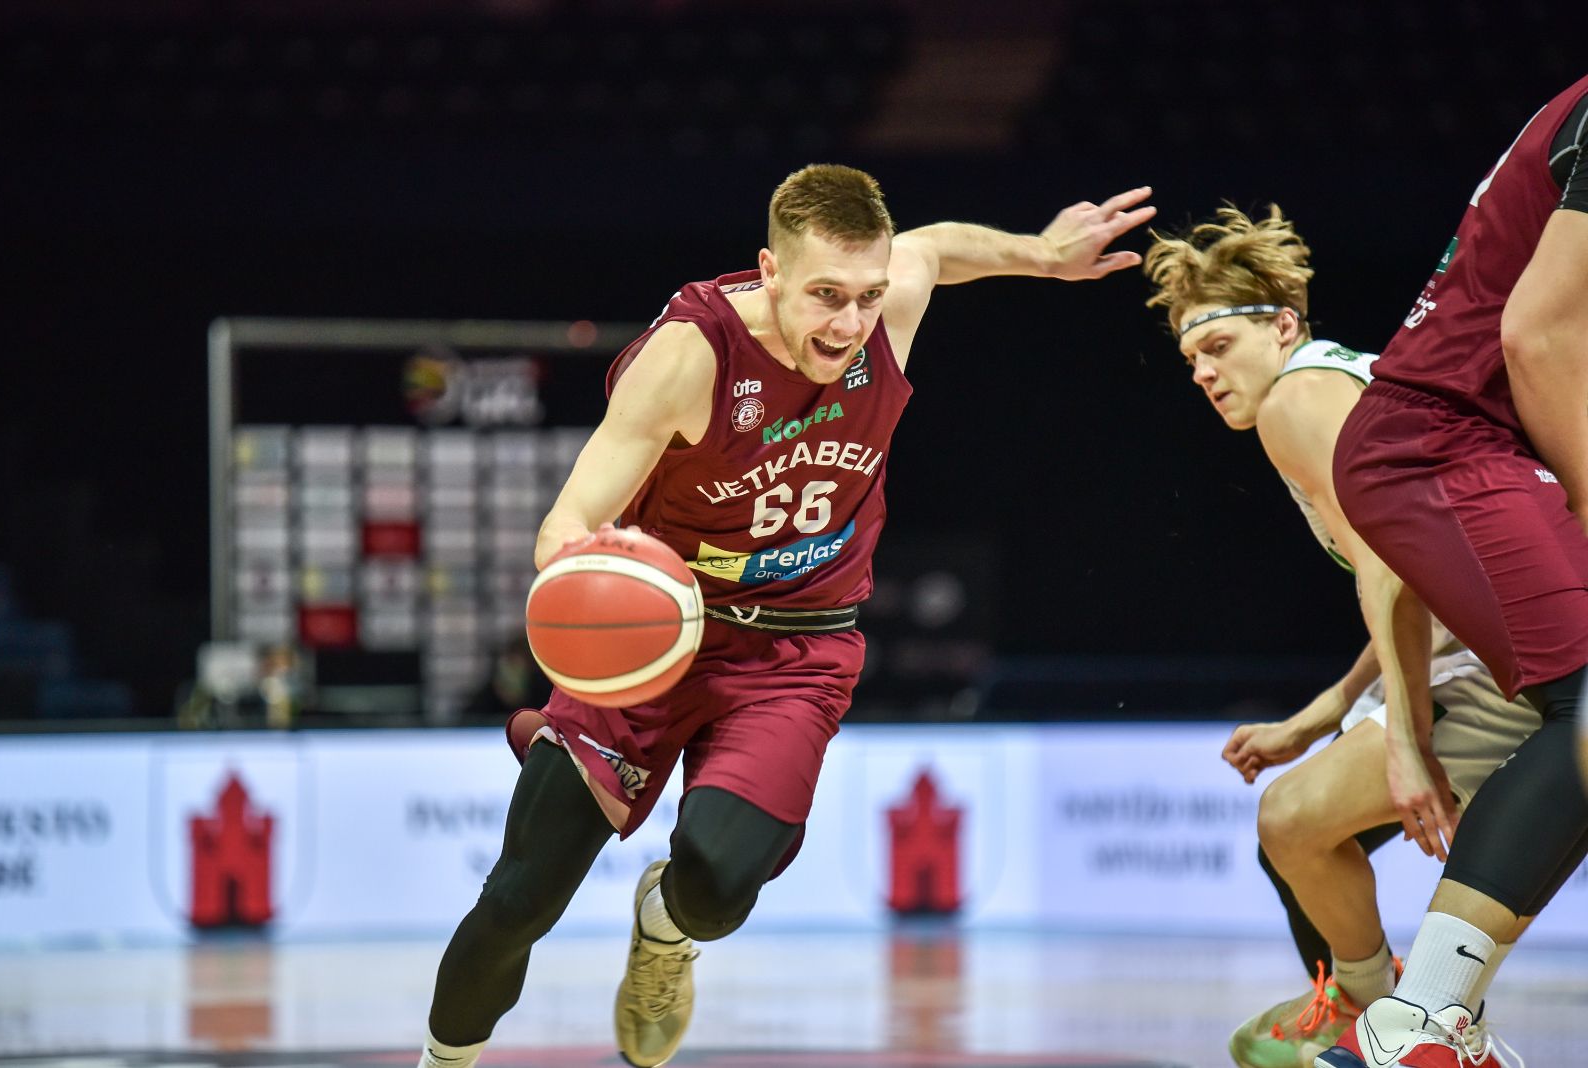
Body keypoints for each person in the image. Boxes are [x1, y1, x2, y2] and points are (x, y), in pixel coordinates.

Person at [412, 164, 1156, 1068]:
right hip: (657, 640)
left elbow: (935, 249)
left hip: (794, 650)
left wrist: (1039, 255)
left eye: (867, 296)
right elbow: (563, 524)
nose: (849, 323)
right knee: (518, 901)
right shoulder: (691, 356)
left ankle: (665, 930)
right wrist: (583, 569)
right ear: (770, 272)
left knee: (717, 887)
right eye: (826, 296)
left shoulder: (887, 306)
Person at [1142, 206, 1539, 1068]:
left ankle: (1391, 1020)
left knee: (1291, 822)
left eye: (1219, 346)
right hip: (1501, 636)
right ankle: (1388, 1013)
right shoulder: (1338, 381)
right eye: (1190, 359)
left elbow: (1385, 569)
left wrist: (1406, 739)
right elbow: (1413, 581)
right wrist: (1327, 711)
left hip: (1520, 651)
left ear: (1283, 326)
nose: (1203, 372)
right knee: (1297, 829)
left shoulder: (1296, 400)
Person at [1311, 75, 1588, 1068]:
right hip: (1445, 440)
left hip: (1483, 442)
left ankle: (1422, 1019)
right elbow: (1536, 336)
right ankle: (1414, 1015)